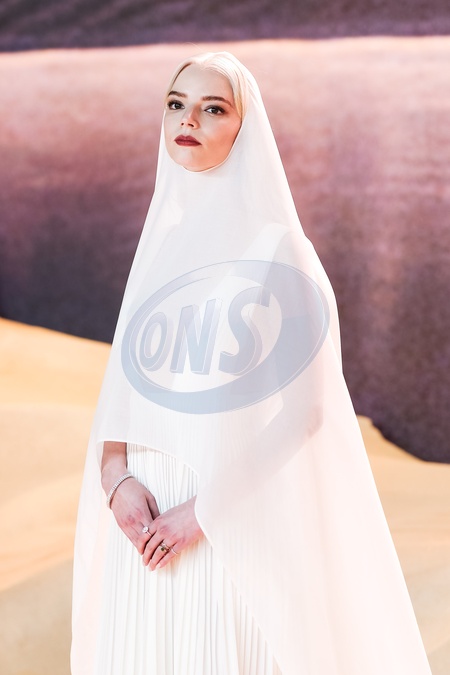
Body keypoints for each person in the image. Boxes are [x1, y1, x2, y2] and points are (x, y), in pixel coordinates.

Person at [71, 52, 432, 675]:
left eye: (213, 108)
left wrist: (202, 515)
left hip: (226, 530)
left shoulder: (279, 250)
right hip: (141, 535)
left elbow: (307, 414)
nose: (189, 119)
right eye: (177, 104)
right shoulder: (158, 248)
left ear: (246, 128)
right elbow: (122, 397)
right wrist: (116, 481)